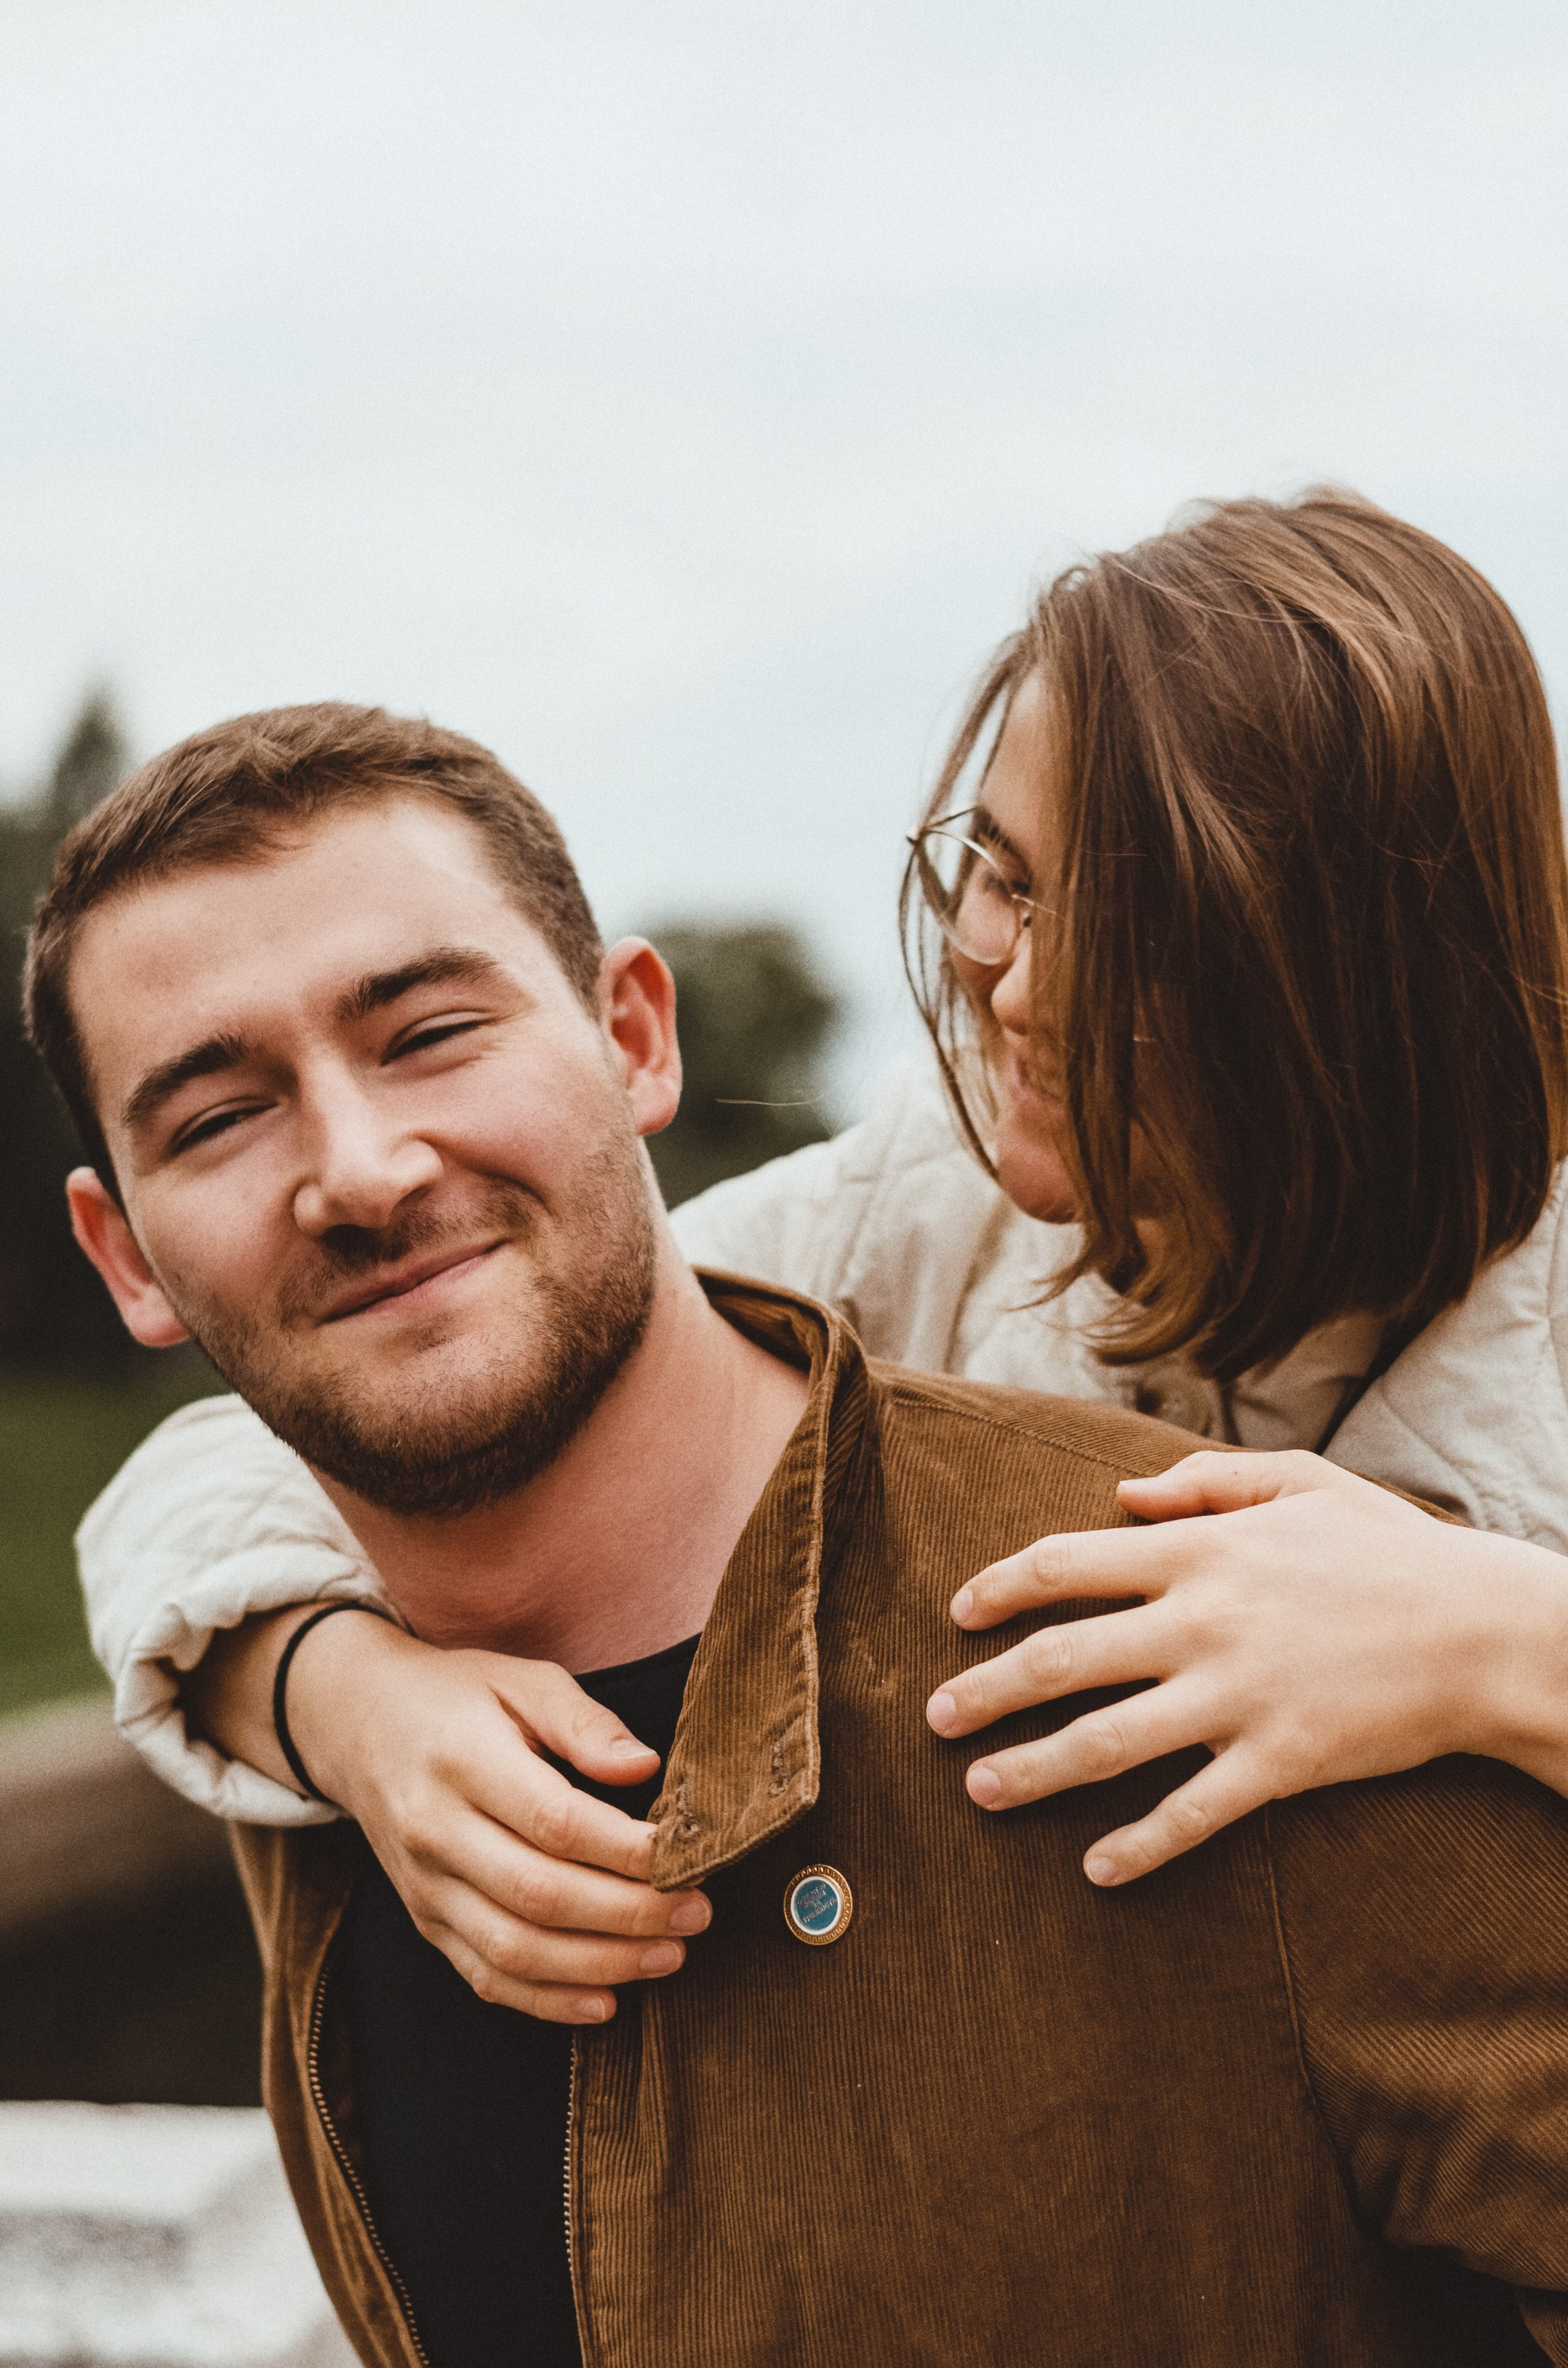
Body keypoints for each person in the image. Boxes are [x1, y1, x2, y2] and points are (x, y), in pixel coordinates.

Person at [26, 702, 1568, 2365]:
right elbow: (190, 1508)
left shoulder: (1253, 1636)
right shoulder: (319, 1725)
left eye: (428, 1033)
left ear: (633, 1038)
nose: (362, 1169)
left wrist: (1510, 1640)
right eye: (217, 1117)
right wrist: (325, 1688)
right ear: (126, 1259)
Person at [72, 489, 1568, 2022]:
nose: (1013, 984)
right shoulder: (927, 1189)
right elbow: (225, 1473)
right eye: (1002, 873)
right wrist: (343, 1699)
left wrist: (1499, 1644)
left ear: (1375, 964)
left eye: (1135, 916)